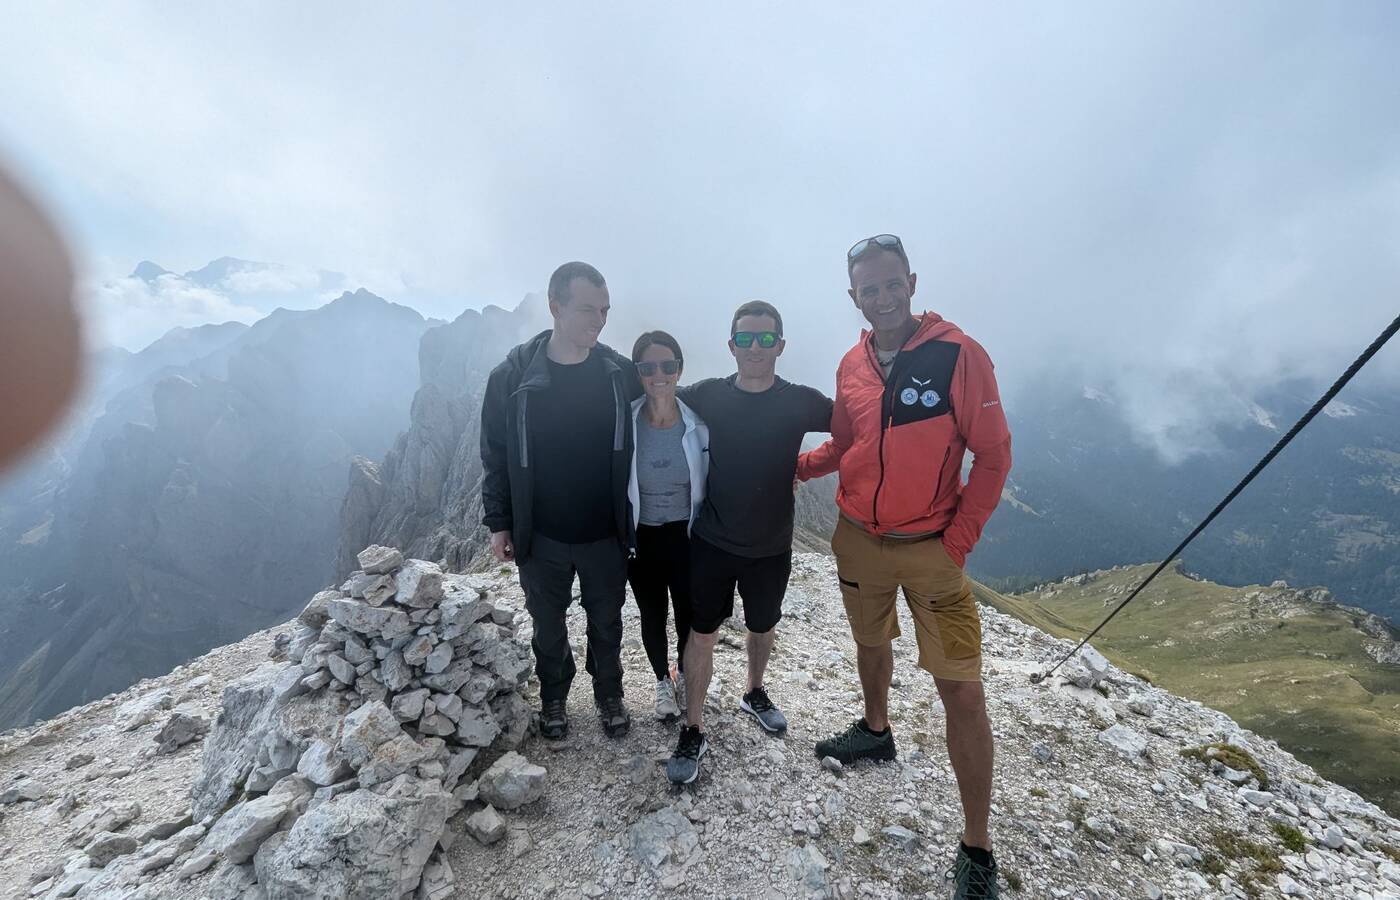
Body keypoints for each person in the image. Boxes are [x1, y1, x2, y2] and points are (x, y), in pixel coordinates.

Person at [797, 235, 1011, 898]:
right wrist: (788, 468)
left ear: (912, 282)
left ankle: (976, 847)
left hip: (932, 548)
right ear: (854, 296)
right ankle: (875, 730)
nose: (883, 299)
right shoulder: (851, 365)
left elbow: (994, 456)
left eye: (893, 285)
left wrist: (958, 543)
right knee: (870, 640)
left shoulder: (959, 355)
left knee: (963, 688)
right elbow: (847, 443)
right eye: (870, 290)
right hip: (859, 536)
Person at [666, 300, 833, 784]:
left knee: (763, 626)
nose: (755, 348)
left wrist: (806, 467)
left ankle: (754, 691)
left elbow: (855, 425)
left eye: (765, 339)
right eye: (745, 338)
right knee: (703, 633)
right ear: (731, 345)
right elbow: (657, 394)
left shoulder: (802, 400)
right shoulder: (710, 395)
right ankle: (693, 725)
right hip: (713, 543)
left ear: (780, 345)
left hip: (771, 546)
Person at [480, 261, 643, 740]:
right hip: (541, 533)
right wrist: (499, 522)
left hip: (605, 532)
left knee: (607, 621)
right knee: (547, 625)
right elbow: (495, 454)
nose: (599, 320)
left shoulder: (618, 373)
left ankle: (608, 693)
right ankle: (554, 696)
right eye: (588, 309)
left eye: (606, 310)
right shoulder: (511, 378)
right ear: (554, 306)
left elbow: (663, 402)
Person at [626, 331, 709, 721]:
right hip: (641, 536)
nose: (658, 374)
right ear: (638, 373)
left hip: (685, 535)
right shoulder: (625, 423)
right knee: (651, 611)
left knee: (687, 612)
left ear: (679, 369)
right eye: (648, 367)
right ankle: (662, 680)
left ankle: (684, 674)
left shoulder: (698, 423)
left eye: (667, 365)